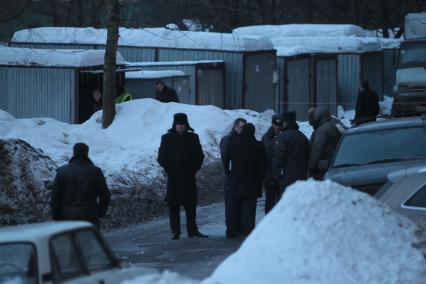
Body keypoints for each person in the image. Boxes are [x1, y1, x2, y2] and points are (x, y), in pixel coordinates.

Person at [158, 113, 208, 240]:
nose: (180, 127)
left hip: (189, 176)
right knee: (173, 205)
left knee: (190, 204)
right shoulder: (167, 138)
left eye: (182, 125)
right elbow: (162, 157)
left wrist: (194, 169)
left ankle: (192, 230)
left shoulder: (193, 137)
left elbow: (200, 155)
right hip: (173, 177)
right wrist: (169, 169)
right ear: (174, 125)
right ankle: (175, 231)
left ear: (186, 125)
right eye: (178, 125)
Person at [51, 143, 111, 228]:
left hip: (66, 217)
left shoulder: (62, 171)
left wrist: (56, 217)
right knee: (89, 240)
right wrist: (100, 213)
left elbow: (55, 197)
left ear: (74, 153)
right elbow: (105, 195)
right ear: (87, 153)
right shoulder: (95, 171)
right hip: (89, 217)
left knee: (70, 241)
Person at [225, 123, 266, 236]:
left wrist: (229, 173)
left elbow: (227, 160)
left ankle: (232, 230)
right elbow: (263, 164)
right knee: (249, 208)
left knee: (235, 206)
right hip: (252, 181)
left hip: (236, 180)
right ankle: (247, 230)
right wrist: (261, 177)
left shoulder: (233, 143)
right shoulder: (258, 145)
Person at [220, 118, 247, 238]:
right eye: (241, 127)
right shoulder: (228, 139)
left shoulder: (239, 139)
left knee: (238, 204)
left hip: (239, 177)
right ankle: (231, 229)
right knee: (231, 204)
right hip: (232, 177)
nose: (243, 129)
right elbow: (225, 158)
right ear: (235, 126)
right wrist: (229, 172)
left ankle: (237, 227)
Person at [272, 111, 309, 196]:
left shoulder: (283, 137)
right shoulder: (303, 137)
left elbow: (279, 157)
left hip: (287, 180)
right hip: (301, 179)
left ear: (285, 122)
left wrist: (275, 174)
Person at [308, 107, 342, 180]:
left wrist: (310, 168)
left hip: (323, 169)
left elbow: (316, 152)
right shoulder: (332, 126)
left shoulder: (321, 131)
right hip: (333, 164)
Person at [261, 114, 283, 214]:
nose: (277, 127)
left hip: (282, 175)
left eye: (279, 125)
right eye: (275, 125)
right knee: (269, 202)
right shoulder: (265, 137)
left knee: (281, 202)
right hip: (269, 175)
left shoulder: (285, 136)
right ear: (272, 124)